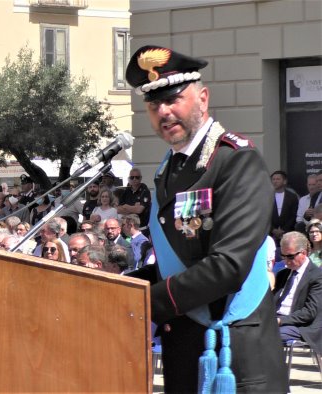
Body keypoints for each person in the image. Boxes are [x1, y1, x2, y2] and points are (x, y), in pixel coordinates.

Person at [125, 45, 287, 391]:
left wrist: (144, 301)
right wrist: (116, 288)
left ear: (202, 98)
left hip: (235, 354)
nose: (164, 112)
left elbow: (228, 265)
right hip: (185, 349)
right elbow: (177, 263)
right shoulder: (170, 169)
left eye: (173, 100)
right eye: (154, 105)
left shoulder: (235, 162)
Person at [274, 231, 322, 358]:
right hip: (277, 319)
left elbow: (309, 312)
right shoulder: (282, 274)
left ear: (304, 253)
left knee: (267, 334)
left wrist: (280, 320)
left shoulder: (317, 276)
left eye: (290, 257)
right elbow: (272, 302)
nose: (285, 261)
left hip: (302, 325)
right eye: (283, 256)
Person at [117, 168, 151, 236]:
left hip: (141, 229)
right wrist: (133, 208)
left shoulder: (144, 190)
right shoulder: (127, 191)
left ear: (140, 178)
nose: (134, 179)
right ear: (129, 178)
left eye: (137, 177)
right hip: (127, 228)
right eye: (132, 177)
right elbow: (118, 210)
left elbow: (139, 210)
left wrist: (126, 206)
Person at [271, 170, 298, 245]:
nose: (275, 181)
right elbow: (264, 216)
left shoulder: (292, 196)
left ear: (284, 181)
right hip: (270, 234)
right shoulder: (267, 196)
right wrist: (273, 230)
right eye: (273, 179)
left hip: (288, 233)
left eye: (278, 179)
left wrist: (284, 230)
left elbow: (294, 215)